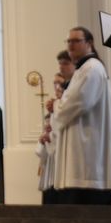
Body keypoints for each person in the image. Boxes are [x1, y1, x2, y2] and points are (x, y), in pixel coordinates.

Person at [50, 27, 111, 204]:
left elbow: (78, 102)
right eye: (68, 41)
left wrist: (56, 104)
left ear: (89, 43)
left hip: (87, 155)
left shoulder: (92, 68)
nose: (70, 45)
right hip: (80, 153)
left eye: (76, 41)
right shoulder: (82, 70)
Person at [36, 72, 65, 204]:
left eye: (60, 83)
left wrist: (52, 136)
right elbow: (42, 149)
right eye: (55, 83)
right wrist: (43, 139)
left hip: (63, 163)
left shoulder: (64, 107)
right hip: (50, 165)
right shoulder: (52, 108)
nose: (57, 87)